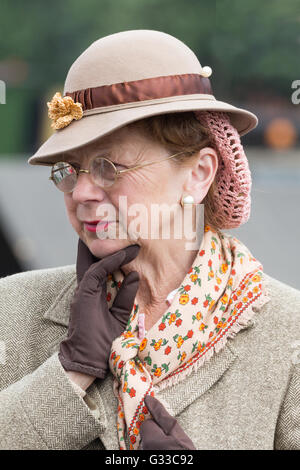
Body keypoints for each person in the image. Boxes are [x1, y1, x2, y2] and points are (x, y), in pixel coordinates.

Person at [1, 29, 300, 451]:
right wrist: (70, 372)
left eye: (109, 166)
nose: (81, 192)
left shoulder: (289, 334)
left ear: (198, 174)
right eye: (70, 169)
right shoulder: (11, 311)